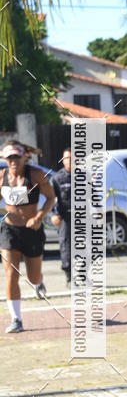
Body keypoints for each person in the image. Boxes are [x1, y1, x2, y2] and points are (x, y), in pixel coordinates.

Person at [0, 142, 55, 332]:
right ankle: (16, 319)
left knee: (32, 277)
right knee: (11, 275)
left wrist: (39, 217)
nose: (13, 162)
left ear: (24, 157)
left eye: (16, 157)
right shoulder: (1, 177)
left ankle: (39, 283)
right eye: (10, 158)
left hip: (32, 230)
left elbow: (51, 197)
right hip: (9, 231)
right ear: (5, 160)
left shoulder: (35, 174)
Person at [51, 149, 72, 287]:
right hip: (65, 216)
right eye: (67, 158)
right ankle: (69, 276)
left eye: (72, 158)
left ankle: (84, 274)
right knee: (66, 246)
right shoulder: (57, 178)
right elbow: (52, 199)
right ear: (62, 160)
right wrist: (54, 214)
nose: (70, 161)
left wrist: (98, 211)